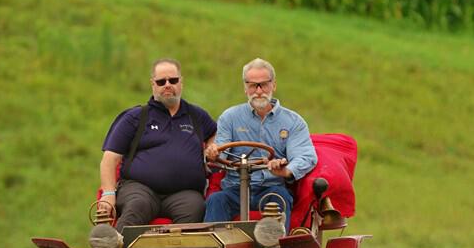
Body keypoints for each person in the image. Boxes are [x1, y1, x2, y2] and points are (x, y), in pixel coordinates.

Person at [98, 58, 218, 232]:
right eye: (161, 81)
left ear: (181, 82)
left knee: (196, 208)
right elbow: (109, 159)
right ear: (153, 84)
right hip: (139, 188)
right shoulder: (135, 117)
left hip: (185, 193)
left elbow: (215, 133)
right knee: (138, 205)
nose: (167, 85)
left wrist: (211, 146)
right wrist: (108, 194)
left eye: (173, 80)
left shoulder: (197, 115)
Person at [204, 58, 317, 229]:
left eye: (263, 85)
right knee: (215, 200)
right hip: (235, 188)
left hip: (271, 188)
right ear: (245, 88)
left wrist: (285, 170)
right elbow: (221, 150)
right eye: (252, 85)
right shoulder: (230, 117)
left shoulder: (293, 121)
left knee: (280, 199)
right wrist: (214, 153)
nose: (258, 91)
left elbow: (306, 156)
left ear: (274, 85)